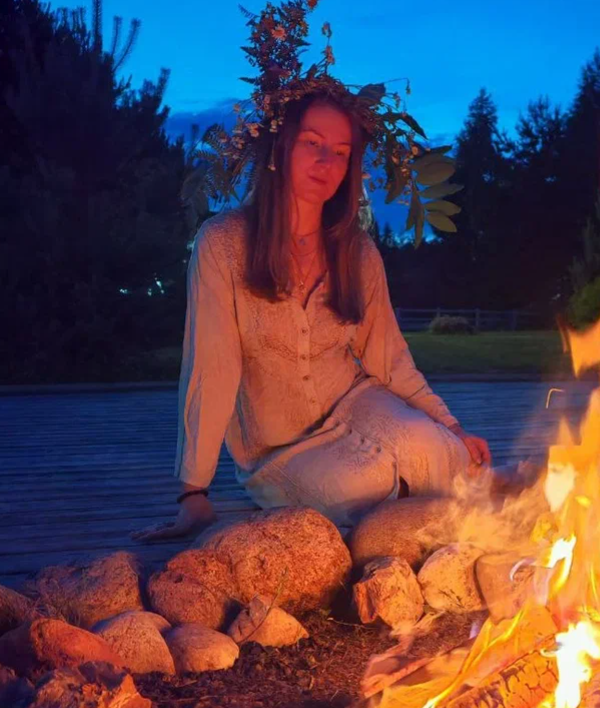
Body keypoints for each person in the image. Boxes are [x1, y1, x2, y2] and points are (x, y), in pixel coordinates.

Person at [133, 12, 489, 543]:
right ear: (280, 149)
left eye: (342, 153)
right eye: (313, 145)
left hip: (359, 402)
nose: (327, 162)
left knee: (442, 454)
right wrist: (194, 490)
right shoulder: (224, 244)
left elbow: (388, 356)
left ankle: (439, 511)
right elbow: (211, 365)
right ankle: (416, 521)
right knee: (358, 486)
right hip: (279, 449)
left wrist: (451, 427)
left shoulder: (357, 249)